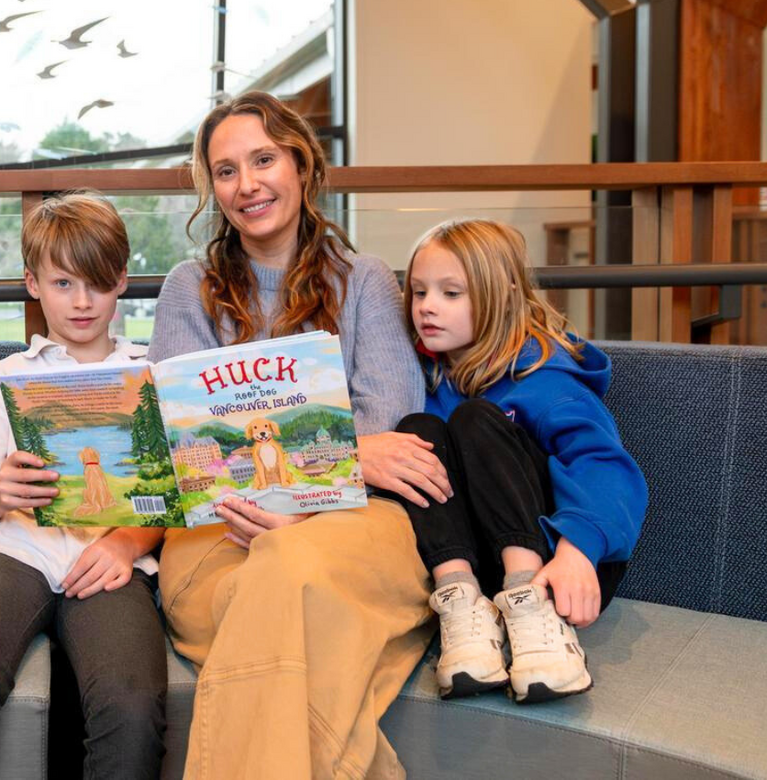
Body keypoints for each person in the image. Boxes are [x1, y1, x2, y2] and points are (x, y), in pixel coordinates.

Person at [149, 91, 448, 780]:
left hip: (355, 522)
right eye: (226, 171)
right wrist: (346, 456)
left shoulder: (365, 282)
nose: (247, 184)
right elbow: (185, 448)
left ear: (302, 166)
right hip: (220, 530)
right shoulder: (189, 288)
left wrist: (301, 501)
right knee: (283, 585)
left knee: (286, 569)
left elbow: (393, 423)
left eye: (263, 160)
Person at [0, 191, 167, 779]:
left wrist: (128, 543)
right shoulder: (6, 377)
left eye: (97, 284)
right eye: (63, 283)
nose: (82, 302)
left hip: (109, 559)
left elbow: (170, 501)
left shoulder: (150, 373)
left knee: (131, 704)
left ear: (122, 282)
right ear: (33, 284)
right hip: (13, 550)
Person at [396, 218, 647, 703]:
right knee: (415, 432)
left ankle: (533, 611)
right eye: (419, 292)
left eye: (451, 293)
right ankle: (461, 607)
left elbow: (602, 465)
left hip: (563, 564)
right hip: (476, 570)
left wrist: (579, 549)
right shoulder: (421, 379)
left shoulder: (543, 377)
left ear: (502, 295)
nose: (427, 306)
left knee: (474, 420)